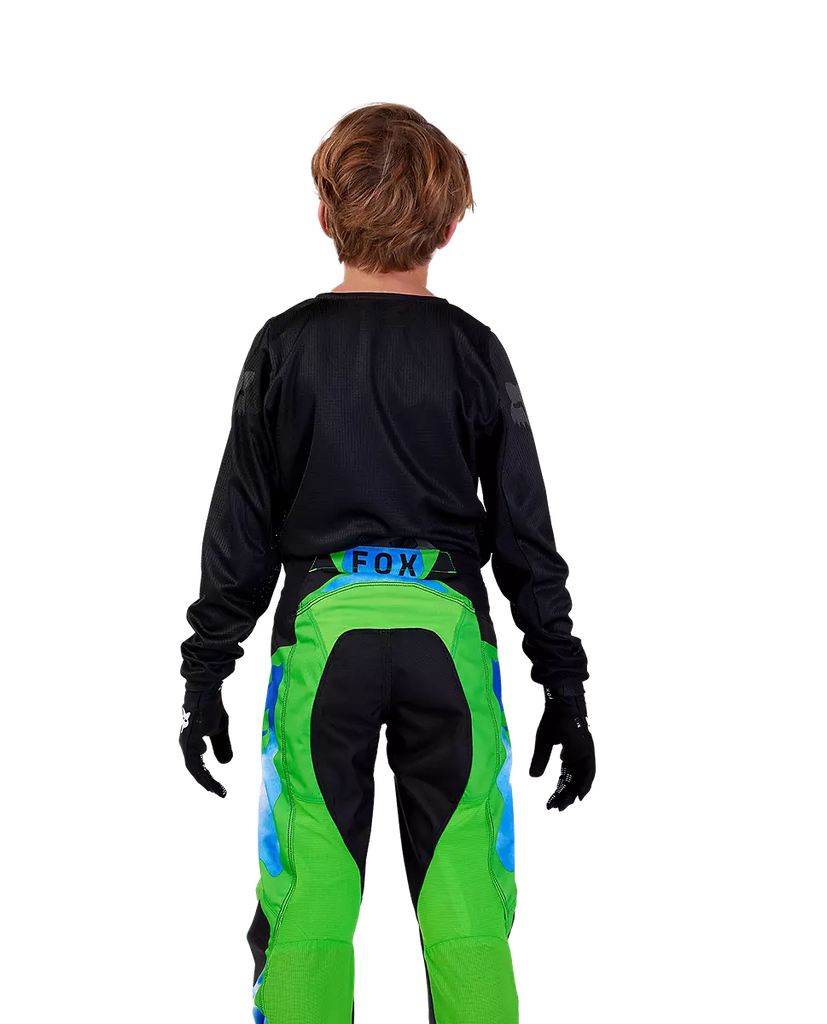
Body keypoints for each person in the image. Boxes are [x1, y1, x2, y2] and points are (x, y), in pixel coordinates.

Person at [176, 96, 597, 1024]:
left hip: (323, 632)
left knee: (311, 893)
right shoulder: (476, 347)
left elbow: (236, 527)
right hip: (449, 631)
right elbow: (528, 536)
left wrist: (204, 678)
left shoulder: (283, 344)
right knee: (467, 894)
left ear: (321, 213)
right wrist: (566, 692)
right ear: (451, 225)